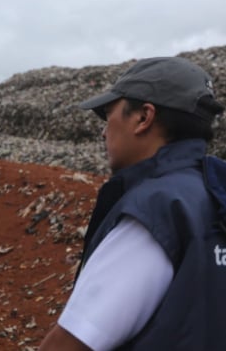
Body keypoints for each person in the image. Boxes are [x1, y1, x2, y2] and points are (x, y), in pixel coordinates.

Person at [39, 57, 226, 351]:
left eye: (108, 114)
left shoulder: (157, 210)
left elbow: (70, 344)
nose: (103, 131)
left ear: (143, 117)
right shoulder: (215, 197)